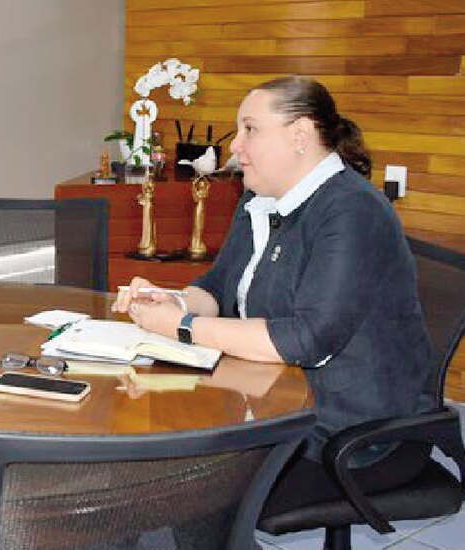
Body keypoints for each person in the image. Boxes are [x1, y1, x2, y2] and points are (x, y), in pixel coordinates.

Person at [112, 76, 433, 517]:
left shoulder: (352, 211)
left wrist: (183, 327)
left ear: (300, 135)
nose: (235, 146)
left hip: (351, 435)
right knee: (154, 468)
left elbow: (306, 340)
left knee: (180, 495)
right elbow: (219, 286)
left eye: (250, 129)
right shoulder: (259, 200)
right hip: (275, 403)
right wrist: (175, 302)